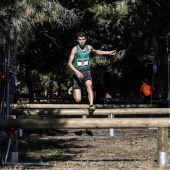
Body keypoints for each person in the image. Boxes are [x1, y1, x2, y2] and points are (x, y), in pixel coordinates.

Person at [68, 32, 117, 111]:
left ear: (85, 40)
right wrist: (76, 71)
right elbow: (69, 63)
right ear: (77, 40)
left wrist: (108, 52)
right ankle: (73, 89)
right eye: (80, 40)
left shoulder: (89, 48)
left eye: (83, 39)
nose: (81, 41)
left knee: (89, 86)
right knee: (78, 99)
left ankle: (91, 105)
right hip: (77, 72)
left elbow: (97, 52)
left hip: (86, 72)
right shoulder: (75, 49)